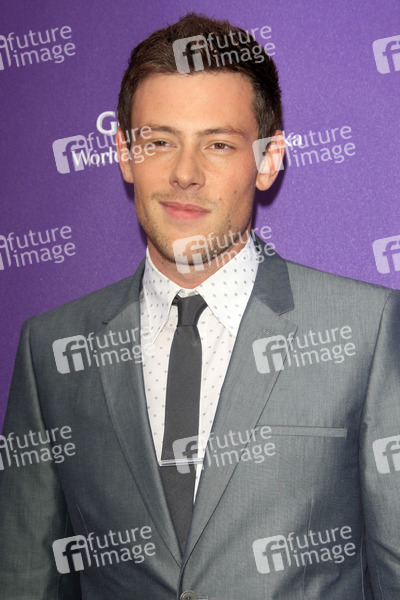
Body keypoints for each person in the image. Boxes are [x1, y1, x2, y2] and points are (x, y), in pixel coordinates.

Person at [0, 12, 399, 600]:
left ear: (268, 159)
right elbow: (25, 576)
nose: (184, 173)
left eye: (218, 144)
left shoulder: (367, 331)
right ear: (124, 153)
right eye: (159, 142)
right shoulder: (51, 348)